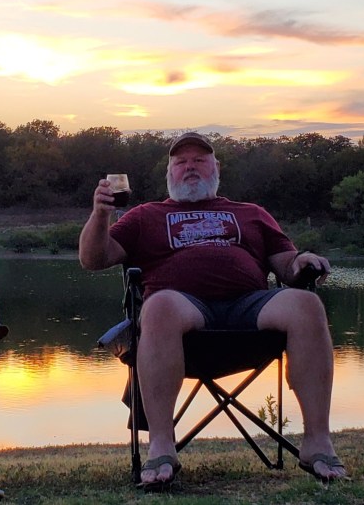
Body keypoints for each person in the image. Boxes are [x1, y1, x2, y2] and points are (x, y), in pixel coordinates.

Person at [79, 132, 348, 488]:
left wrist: (302, 259)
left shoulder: (251, 213)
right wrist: (100, 215)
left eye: (199, 160)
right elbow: (93, 259)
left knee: (307, 304)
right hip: (182, 314)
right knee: (158, 305)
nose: (190, 167)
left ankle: (317, 442)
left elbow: (286, 264)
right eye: (181, 162)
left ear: (216, 168)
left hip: (249, 310)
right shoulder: (146, 215)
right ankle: (161, 445)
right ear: (169, 173)